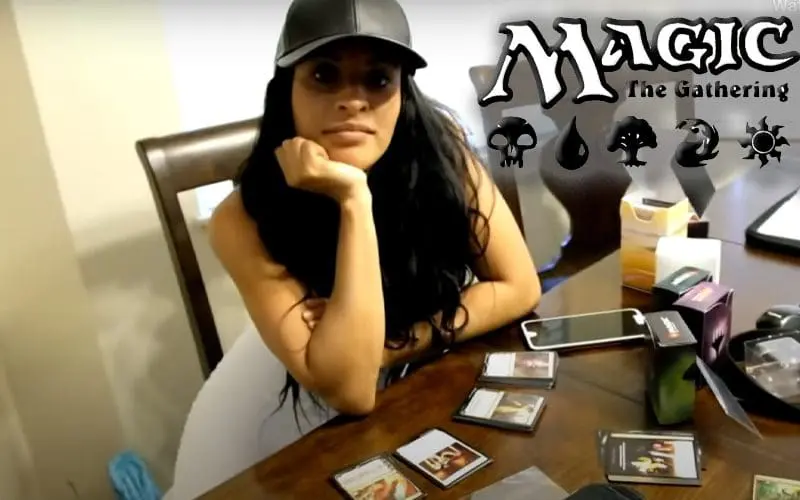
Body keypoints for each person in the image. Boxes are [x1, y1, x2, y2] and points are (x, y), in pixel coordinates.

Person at [164, 0, 540, 497]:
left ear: (403, 91)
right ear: (286, 89)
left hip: (399, 388)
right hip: (271, 430)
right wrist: (352, 198)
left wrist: (389, 346)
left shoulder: (441, 149)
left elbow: (520, 286)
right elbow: (350, 390)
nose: (353, 101)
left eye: (378, 79)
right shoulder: (239, 217)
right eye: (324, 74)